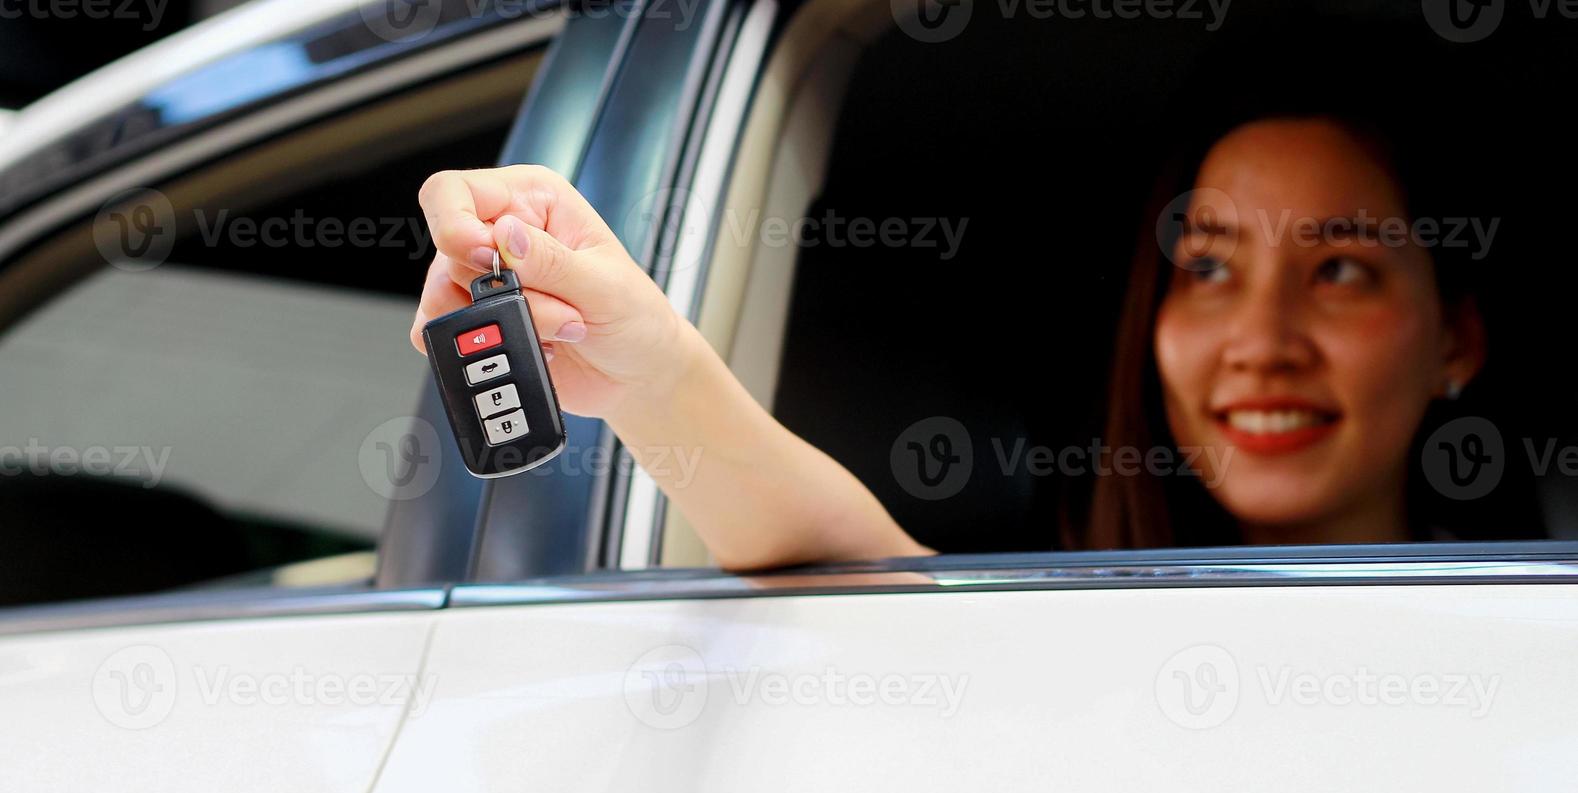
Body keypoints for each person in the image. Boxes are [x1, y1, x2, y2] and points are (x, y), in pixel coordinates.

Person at [409, 107, 1485, 569]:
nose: (1261, 337)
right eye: (1206, 266)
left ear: (1457, 341)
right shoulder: (1075, 625)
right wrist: (650, 371)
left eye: (1339, 267)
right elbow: (854, 567)